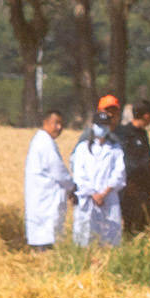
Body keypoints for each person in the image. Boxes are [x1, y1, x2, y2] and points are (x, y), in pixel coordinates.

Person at [69, 100, 129, 250]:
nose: (102, 129)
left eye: (105, 125)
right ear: (93, 126)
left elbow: (119, 174)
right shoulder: (82, 149)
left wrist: (104, 193)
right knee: (85, 238)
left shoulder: (115, 149)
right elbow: (79, 174)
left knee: (109, 239)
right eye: (99, 125)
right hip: (87, 199)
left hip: (108, 200)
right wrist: (93, 194)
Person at [23, 110, 75, 250]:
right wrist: (72, 187)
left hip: (43, 199)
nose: (59, 128)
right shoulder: (44, 143)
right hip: (45, 200)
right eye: (56, 123)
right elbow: (58, 170)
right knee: (46, 236)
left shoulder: (43, 141)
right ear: (45, 123)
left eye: (61, 124)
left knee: (44, 233)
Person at [117, 102, 150, 237]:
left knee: (147, 227)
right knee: (131, 228)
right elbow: (127, 163)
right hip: (131, 191)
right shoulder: (125, 134)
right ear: (147, 115)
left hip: (146, 191)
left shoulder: (143, 134)